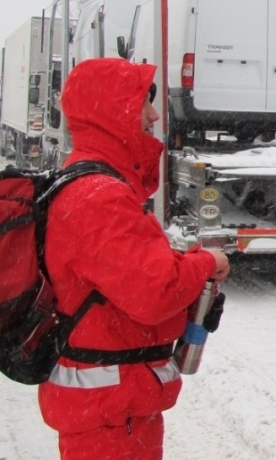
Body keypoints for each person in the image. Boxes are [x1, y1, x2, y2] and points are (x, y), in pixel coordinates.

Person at [38, 58, 230, 460]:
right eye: (143, 102)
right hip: (110, 412)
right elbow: (154, 289)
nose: (154, 114)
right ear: (112, 110)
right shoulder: (99, 196)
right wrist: (207, 264)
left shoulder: (94, 186)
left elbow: (130, 272)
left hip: (117, 403)